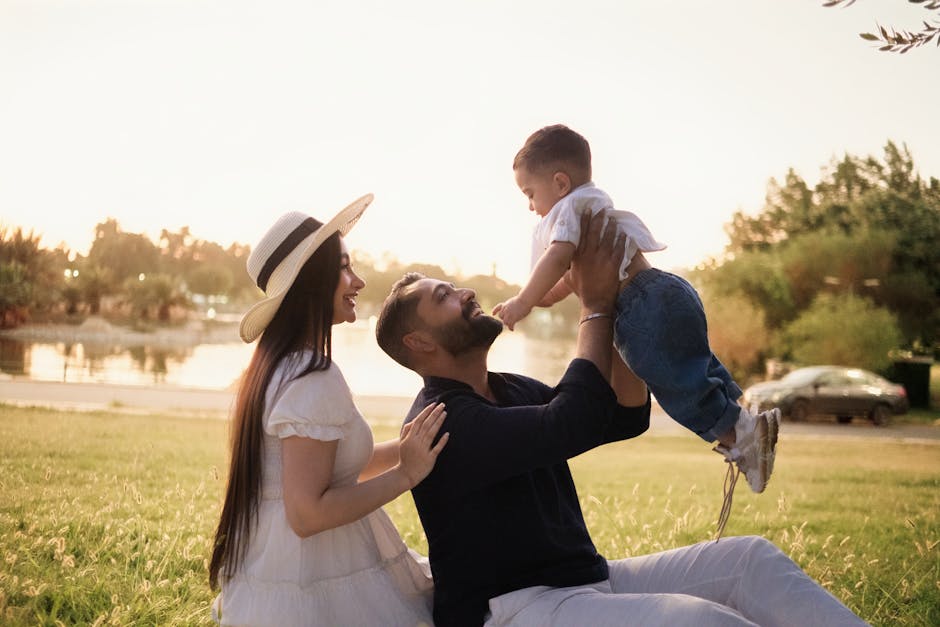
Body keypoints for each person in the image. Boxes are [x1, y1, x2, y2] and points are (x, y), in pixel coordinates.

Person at [376, 210, 865, 626]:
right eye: (443, 297)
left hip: (584, 581)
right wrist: (595, 305)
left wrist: (626, 298)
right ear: (419, 344)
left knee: (749, 561)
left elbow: (621, 416)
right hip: (512, 610)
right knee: (695, 621)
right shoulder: (443, 420)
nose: (464, 293)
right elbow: (571, 421)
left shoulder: (508, 388)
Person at [493, 124, 781, 533]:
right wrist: (545, 297)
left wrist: (524, 301)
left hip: (639, 306)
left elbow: (558, 260)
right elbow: (567, 280)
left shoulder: (569, 209)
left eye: (529, 194)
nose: (530, 206)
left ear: (559, 182)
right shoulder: (590, 204)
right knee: (696, 368)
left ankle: (742, 436)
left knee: (675, 386)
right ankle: (746, 419)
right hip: (668, 289)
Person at [208, 194, 448, 626]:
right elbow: (307, 514)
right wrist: (405, 476)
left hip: (286, 570)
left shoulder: (277, 366)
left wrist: (409, 446)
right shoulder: (313, 375)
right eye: (343, 267)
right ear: (310, 280)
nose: (357, 281)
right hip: (313, 583)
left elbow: (331, 466)